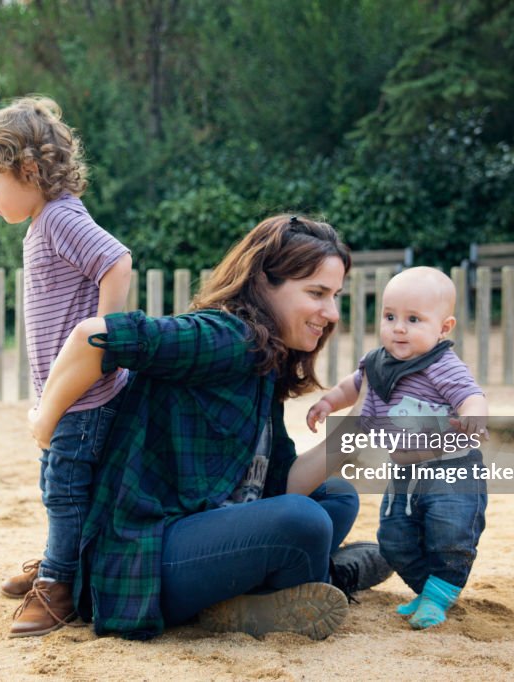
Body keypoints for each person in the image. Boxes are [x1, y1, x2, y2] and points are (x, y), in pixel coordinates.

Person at [28, 215, 392, 640]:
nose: (330, 313)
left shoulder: (265, 360)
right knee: (304, 521)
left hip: (204, 524)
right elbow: (93, 336)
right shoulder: (224, 337)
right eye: (317, 293)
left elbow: (280, 484)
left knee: (337, 497)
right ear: (263, 283)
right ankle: (318, 582)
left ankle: (256, 598)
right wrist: (44, 421)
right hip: (143, 554)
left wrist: (354, 434)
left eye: (335, 296)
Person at [0, 96, 133, 638]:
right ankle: (61, 560)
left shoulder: (59, 217)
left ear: (28, 170)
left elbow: (116, 259)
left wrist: (104, 339)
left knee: (64, 485)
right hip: (67, 390)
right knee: (62, 483)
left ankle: (58, 583)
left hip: (85, 391)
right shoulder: (44, 221)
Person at [306, 266, 488, 629]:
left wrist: (472, 417)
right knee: (393, 537)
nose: (398, 327)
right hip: (405, 472)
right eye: (390, 317)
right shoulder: (377, 363)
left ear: (444, 328)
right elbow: (352, 386)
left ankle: (437, 596)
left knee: (450, 534)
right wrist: (328, 402)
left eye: (413, 319)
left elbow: (471, 396)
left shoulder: (441, 365)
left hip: (450, 469)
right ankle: (429, 591)